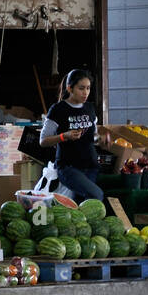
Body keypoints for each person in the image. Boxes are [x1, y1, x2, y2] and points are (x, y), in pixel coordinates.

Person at [39, 69, 109, 202]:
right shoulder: (58, 109)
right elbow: (43, 141)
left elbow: (93, 136)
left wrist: (100, 140)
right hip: (68, 168)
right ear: (70, 88)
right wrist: (63, 136)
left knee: (82, 206)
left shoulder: (89, 108)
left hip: (91, 166)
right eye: (81, 88)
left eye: (88, 88)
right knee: (96, 195)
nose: (86, 92)